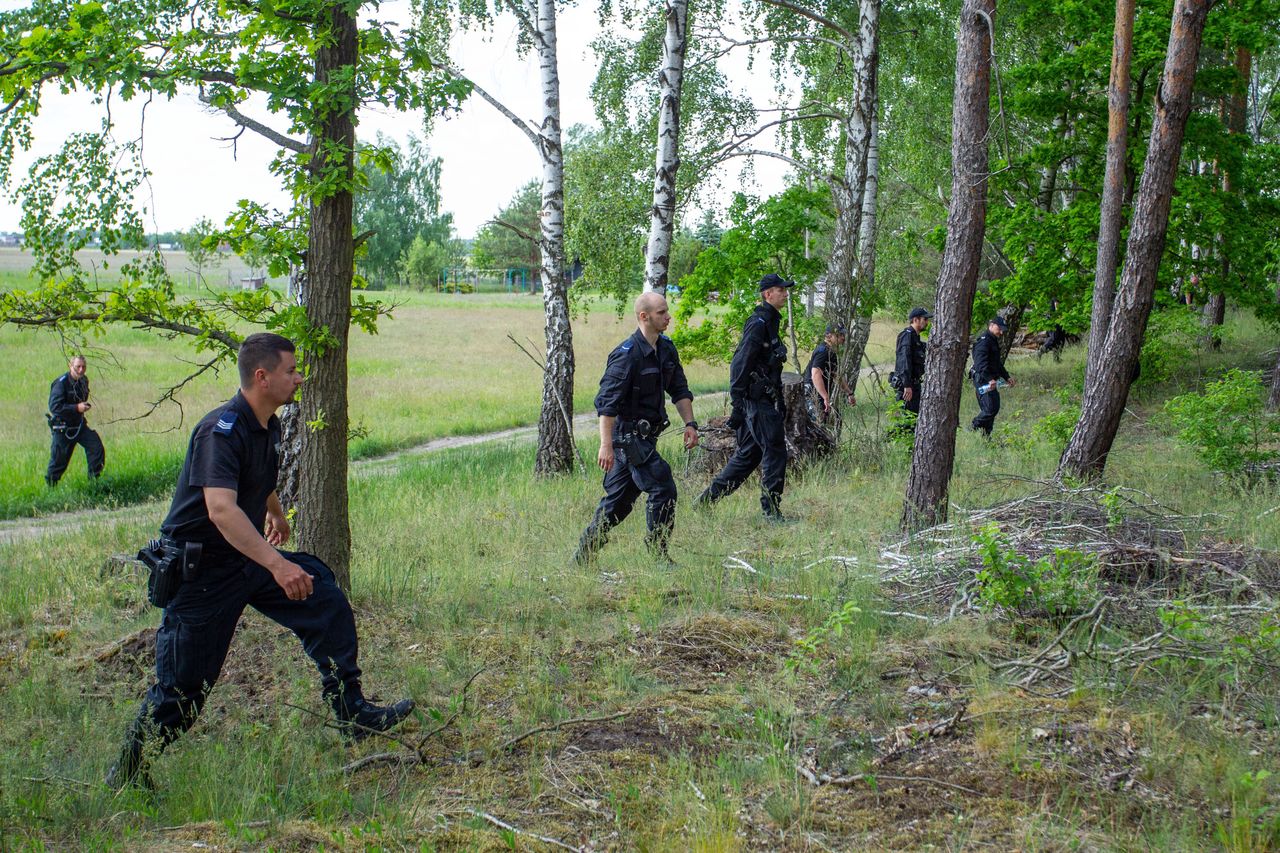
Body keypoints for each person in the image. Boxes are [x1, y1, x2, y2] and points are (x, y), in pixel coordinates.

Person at [107, 333, 414, 789]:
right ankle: (127, 774)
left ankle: (352, 713)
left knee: (322, 595)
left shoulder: (265, 423)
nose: (298, 378)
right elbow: (221, 509)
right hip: (203, 575)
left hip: (243, 559)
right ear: (261, 375)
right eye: (291, 371)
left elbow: (257, 476)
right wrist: (277, 564)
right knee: (182, 692)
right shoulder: (221, 429)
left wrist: (272, 510)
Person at [573, 293, 700, 566]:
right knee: (663, 486)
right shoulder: (626, 356)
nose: (668, 317)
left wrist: (690, 424)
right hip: (627, 437)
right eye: (662, 312)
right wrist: (605, 445)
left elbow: (679, 389)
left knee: (619, 503)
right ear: (644, 317)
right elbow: (607, 406)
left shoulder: (666, 348)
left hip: (647, 437)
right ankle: (658, 555)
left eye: (667, 311)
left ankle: (584, 554)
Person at [696, 272, 793, 522]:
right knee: (774, 450)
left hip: (763, 398)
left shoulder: (771, 321)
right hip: (755, 400)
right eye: (780, 289)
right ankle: (770, 511)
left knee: (748, 455)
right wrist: (738, 404)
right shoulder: (758, 322)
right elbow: (739, 364)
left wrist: (779, 401)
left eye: (785, 289)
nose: (785, 293)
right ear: (767, 294)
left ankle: (706, 501)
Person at [45, 355, 106, 486]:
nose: (81, 370)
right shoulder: (60, 383)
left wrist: (82, 407)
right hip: (62, 428)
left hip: (79, 426)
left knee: (96, 447)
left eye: (84, 367)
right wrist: (76, 408)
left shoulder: (84, 380)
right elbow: (55, 407)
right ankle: (50, 490)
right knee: (59, 461)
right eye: (78, 366)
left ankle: (94, 483)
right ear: (70, 366)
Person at [971, 316, 1015, 436]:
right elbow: (980, 364)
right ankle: (973, 426)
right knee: (990, 409)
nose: (1001, 332)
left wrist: (1006, 377)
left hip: (991, 380)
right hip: (983, 379)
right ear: (991, 325)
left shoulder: (993, 340)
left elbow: (996, 363)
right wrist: (989, 379)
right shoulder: (984, 341)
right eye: (999, 329)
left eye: (1002, 330)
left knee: (993, 407)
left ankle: (986, 436)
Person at [805, 323, 855, 426]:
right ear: (829, 336)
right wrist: (825, 397)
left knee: (836, 419)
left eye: (842, 334)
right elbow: (815, 375)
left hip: (819, 395)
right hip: (811, 394)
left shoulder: (831, 352)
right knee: (820, 423)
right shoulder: (823, 351)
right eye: (839, 334)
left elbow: (836, 375)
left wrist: (849, 393)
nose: (842, 337)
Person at [893, 308, 931, 429]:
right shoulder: (907, 336)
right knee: (908, 421)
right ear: (915, 320)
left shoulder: (916, 338)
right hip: (907, 386)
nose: (927, 322)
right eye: (925, 319)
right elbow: (904, 361)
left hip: (914, 384)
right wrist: (907, 385)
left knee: (914, 419)